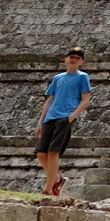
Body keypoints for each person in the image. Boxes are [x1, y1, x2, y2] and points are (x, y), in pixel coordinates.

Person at [33, 47, 91, 196]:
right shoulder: (58, 78)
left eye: (77, 58)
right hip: (50, 118)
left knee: (53, 152)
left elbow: (85, 100)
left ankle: (48, 189)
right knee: (41, 153)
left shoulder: (82, 77)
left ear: (82, 61)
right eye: (71, 56)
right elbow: (49, 101)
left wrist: (71, 117)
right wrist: (40, 121)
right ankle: (58, 179)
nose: (73, 59)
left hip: (65, 117)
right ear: (65, 59)